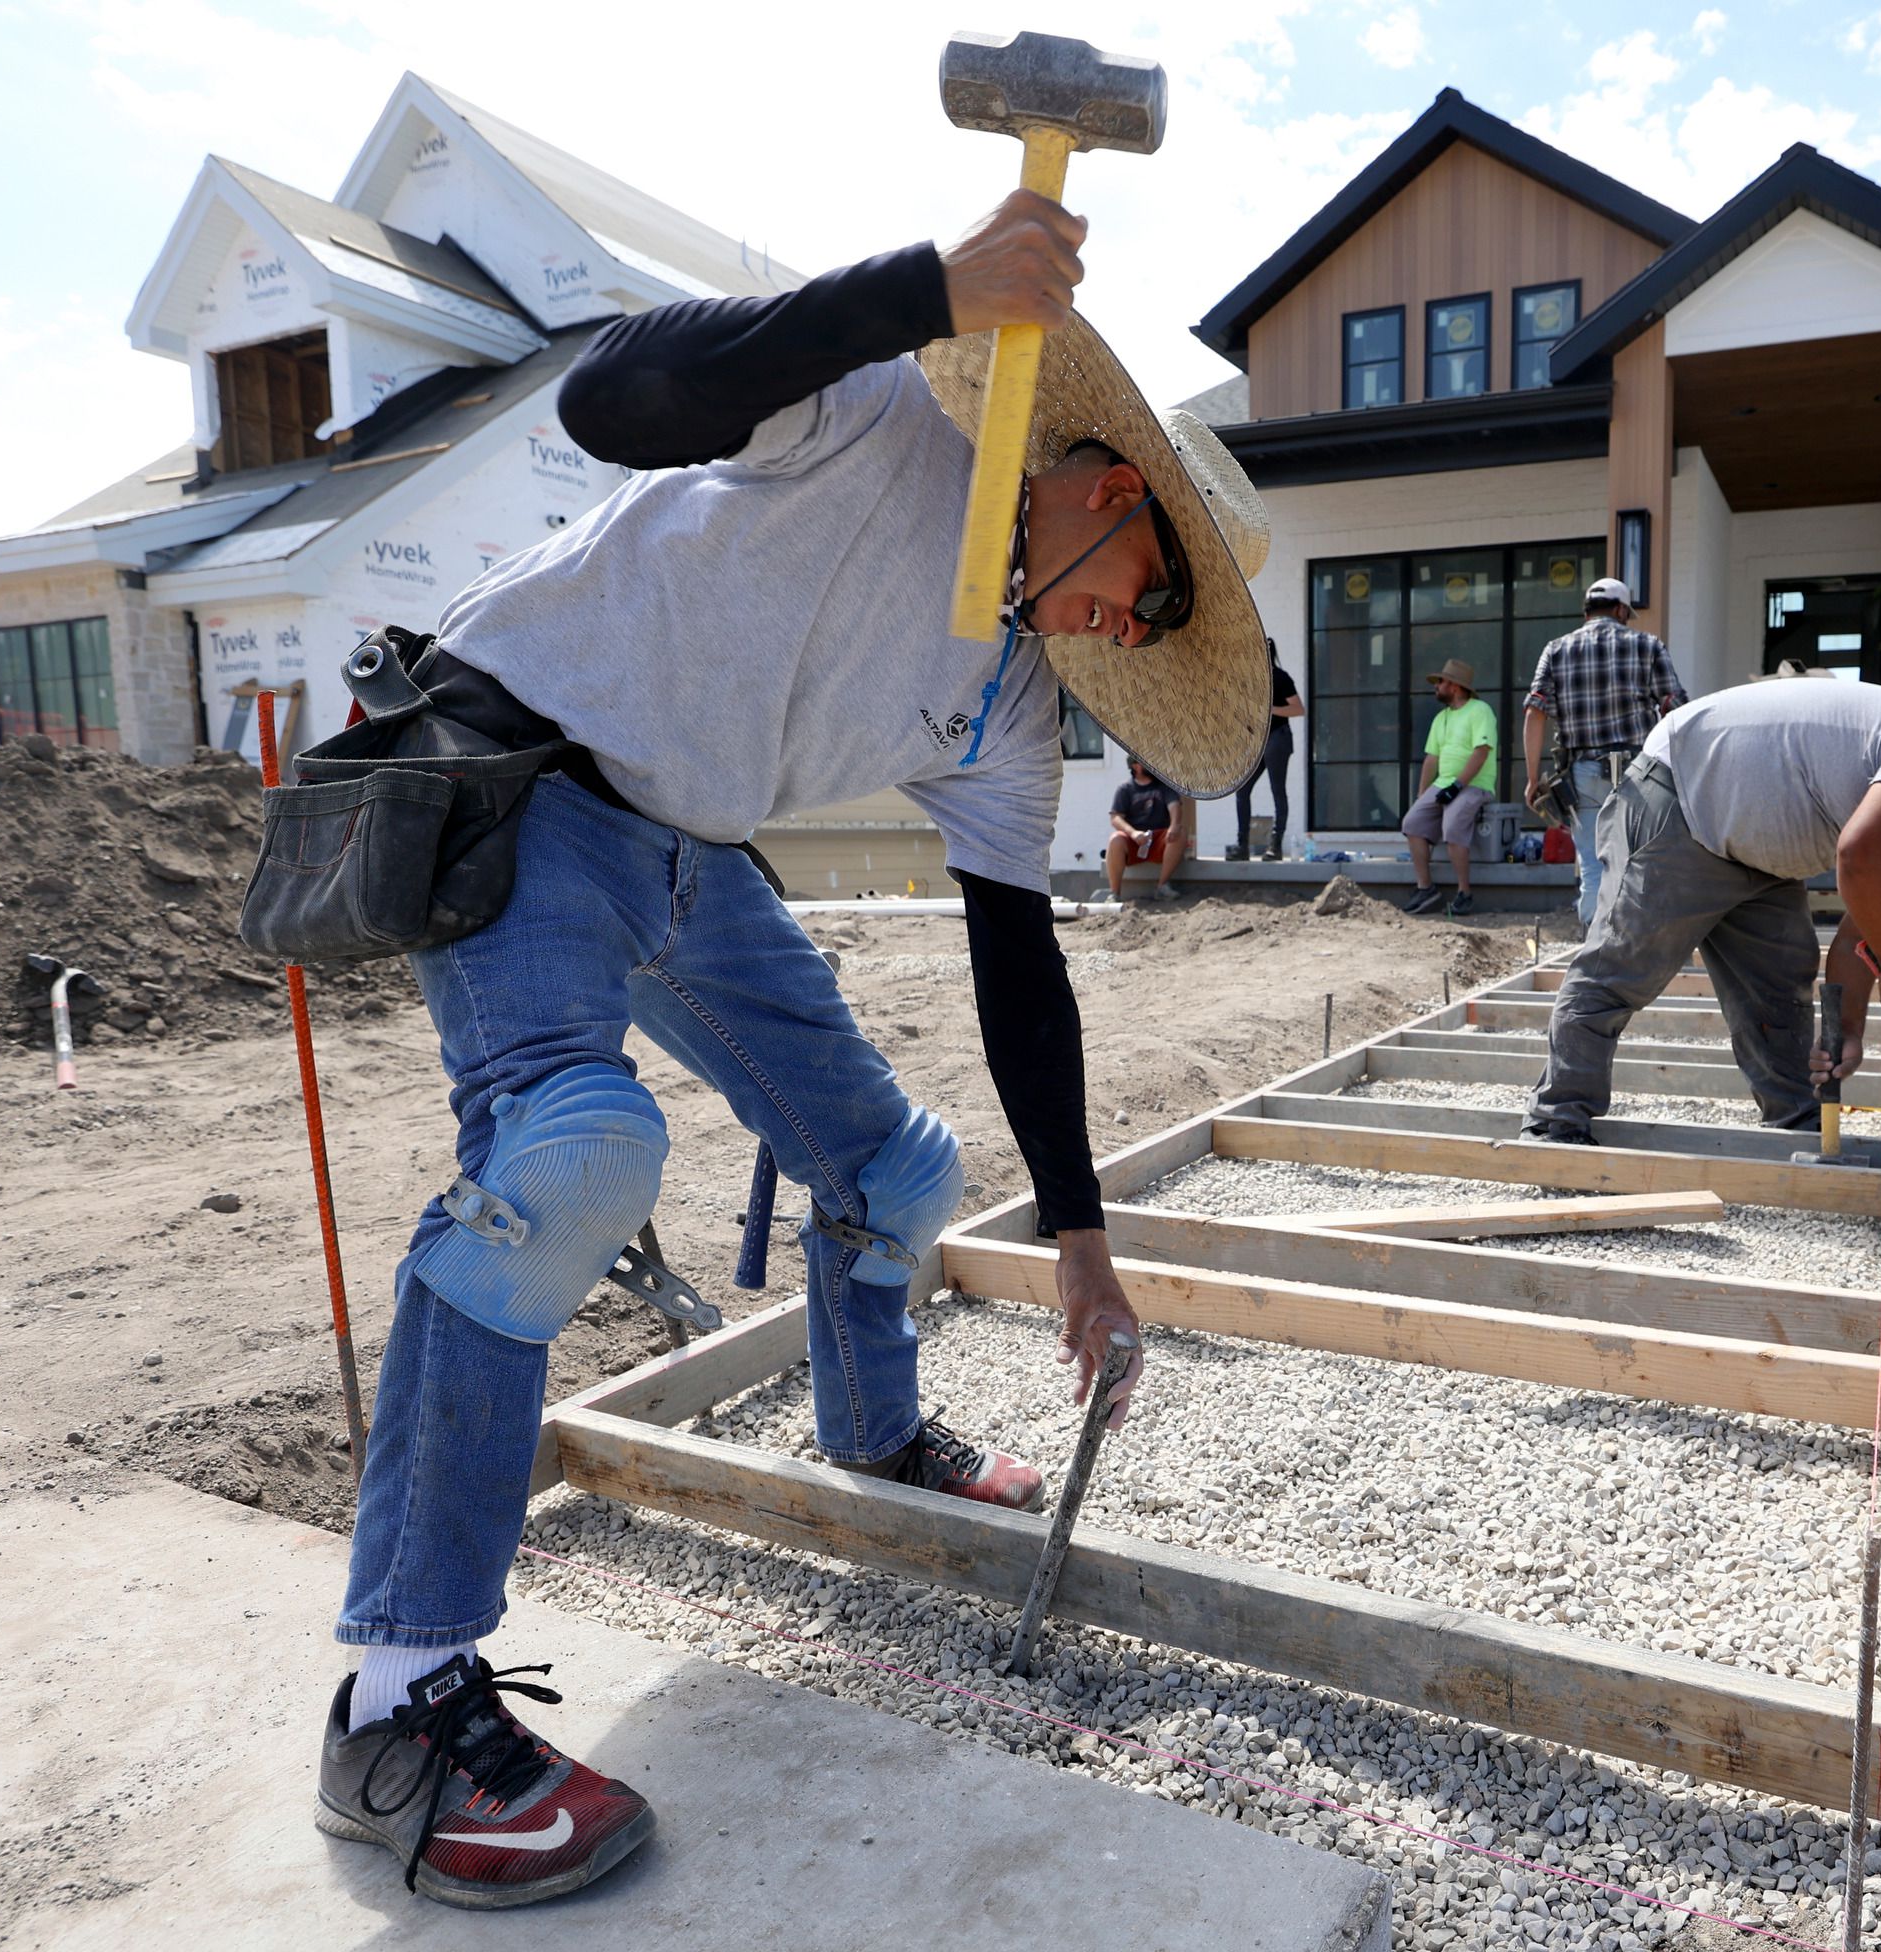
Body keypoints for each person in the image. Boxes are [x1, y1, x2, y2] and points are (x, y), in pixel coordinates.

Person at [309, 185, 1277, 1908]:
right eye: (1144, 603)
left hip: (687, 849)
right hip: (520, 780)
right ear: (1109, 490)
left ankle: (872, 1429)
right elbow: (613, 399)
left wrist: (1081, 1240)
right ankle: (396, 1705)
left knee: (899, 1167)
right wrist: (921, 286)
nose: (1124, 645)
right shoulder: (881, 414)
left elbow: (1015, 963)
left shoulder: (1013, 696)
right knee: (571, 1157)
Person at [1521, 684, 1881, 1144]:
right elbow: (1858, 856)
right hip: (1685, 800)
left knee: (1779, 993)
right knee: (1619, 974)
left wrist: (1848, 1030)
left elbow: (1862, 936)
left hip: (1760, 850)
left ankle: (1796, 1130)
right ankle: (1556, 1124)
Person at [1522, 577, 1684, 930]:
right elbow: (1676, 710)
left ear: (1586, 610)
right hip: (1639, 774)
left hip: (1581, 773)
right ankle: (1637, 952)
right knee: (1641, 863)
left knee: (1594, 867)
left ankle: (1595, 957)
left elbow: (1534, 712)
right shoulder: (1648, 645)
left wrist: (1534, 778)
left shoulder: (1557, 649)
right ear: (1621, 609)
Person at [1400, 655, 1496, 916]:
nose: (1436, 686)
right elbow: (1432, 758)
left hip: (1475, 785)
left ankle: (1464, 893)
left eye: (1440, 682)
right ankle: (1426, 889)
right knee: (1412, 823)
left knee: (1452, 825)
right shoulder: (1441, 718)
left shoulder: (1480, 710)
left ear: (1454, 686)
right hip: (1444, 784)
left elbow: (1481, 751)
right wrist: (1422, 795)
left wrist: (1458, 785)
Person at [1228, 640, 1302, 859]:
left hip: (1278, 738)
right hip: (1258, 741)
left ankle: (1275, 845)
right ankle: (1242, 845)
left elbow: (1298, 709)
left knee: (1277, 790)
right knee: (1242, 790)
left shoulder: (1280, 677)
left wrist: (1269, 709)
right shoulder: (1251, 680)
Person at [1108, 754, 1190, 899]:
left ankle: (1162, 887)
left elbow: (1174, 806)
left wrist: (1174, 825)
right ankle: (1114, 893)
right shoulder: (1125, 789)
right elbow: (1116, 818)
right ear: (1135, 766)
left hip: (1160, 840)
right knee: (1115, 840)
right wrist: (1133, 833)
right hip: (1135, 841)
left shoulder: (1165, 785)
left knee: (1180, 833)